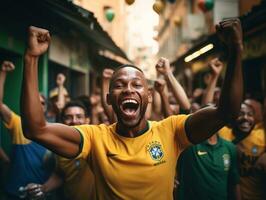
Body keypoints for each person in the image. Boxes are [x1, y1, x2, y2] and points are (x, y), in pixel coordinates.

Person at [21, 19, 243, 199]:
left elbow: (227, 112)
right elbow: (35, 130)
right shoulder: (94, 138)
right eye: (119, 85)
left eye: (137, 84)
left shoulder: (172, 131)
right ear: (109, 99)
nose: (128, 89)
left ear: (147, 96)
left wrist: (235, 50)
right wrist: (31, 58)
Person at [0, 61, 55, 199]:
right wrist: (3, 73)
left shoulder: (53, 130)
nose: (38, 104)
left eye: (42, 103)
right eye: (35, 100)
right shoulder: (19, 124)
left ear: (45, 108)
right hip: (15, 191)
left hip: (41, 193)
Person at [26, 101, 95, 200]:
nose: (74, 121)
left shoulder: (96, 142)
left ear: (87, 120)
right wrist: (43, 188)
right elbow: (61, 174)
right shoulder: (61, 149)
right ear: (63, 122)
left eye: (79, 117)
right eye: (68, 117)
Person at [219, 103, 266, 200]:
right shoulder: (222, 133)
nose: (245, 117)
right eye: (240, 114)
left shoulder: (261, 136)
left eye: (250, 114)